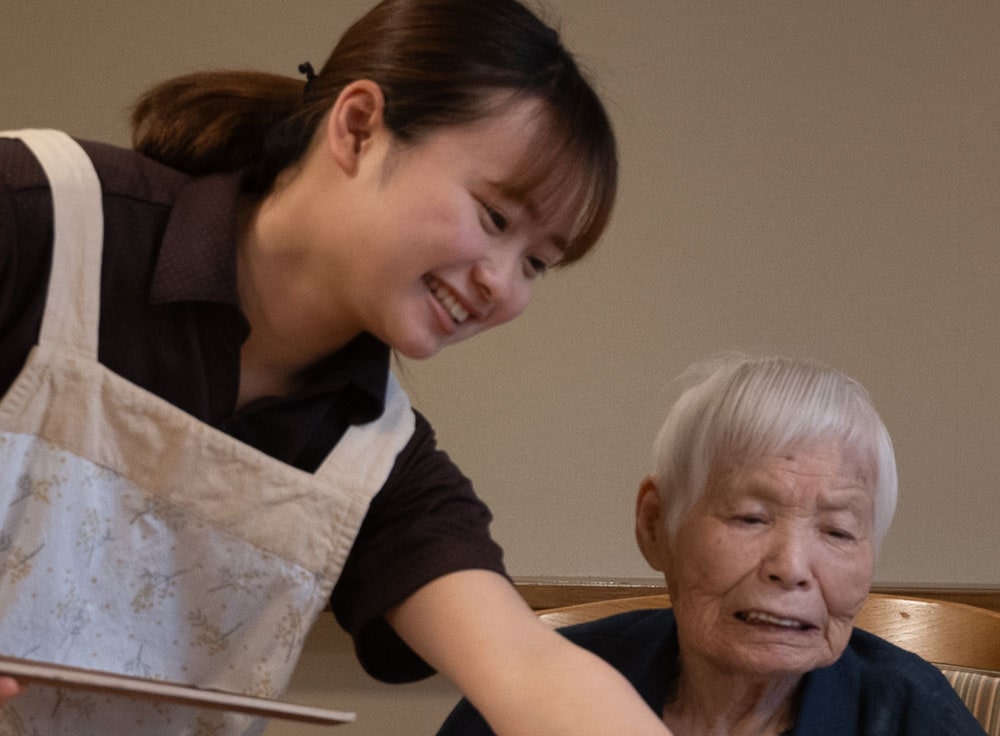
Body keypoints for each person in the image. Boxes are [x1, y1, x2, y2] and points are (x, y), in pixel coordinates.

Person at [0, 1, 676, 734]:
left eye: (537, 264)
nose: (502, 285)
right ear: (357, 128)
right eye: (494, 218)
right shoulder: (31, 213)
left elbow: (527, 667)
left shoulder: (376, 460)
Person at [438, 354, 988, 735]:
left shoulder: (909, 712)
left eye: (838, 532)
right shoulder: (543, 693)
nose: (791, 567)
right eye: (751, 517)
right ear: (656, 525)